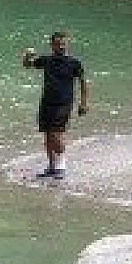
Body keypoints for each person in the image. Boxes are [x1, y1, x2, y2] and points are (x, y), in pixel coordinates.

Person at [21, 31, 89, 179]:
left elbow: (83, 82)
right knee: (47, 134)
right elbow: (27, 65)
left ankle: (61, 164)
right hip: (47, 102)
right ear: (52, 45)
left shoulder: (74, 63)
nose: (61, 46)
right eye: (58, 44)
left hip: (64, 103)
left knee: (56, 133)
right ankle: (52, 166)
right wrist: (27, 55)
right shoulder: (47, 60)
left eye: (63, 43)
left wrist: (84, 103)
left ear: (68, 44)